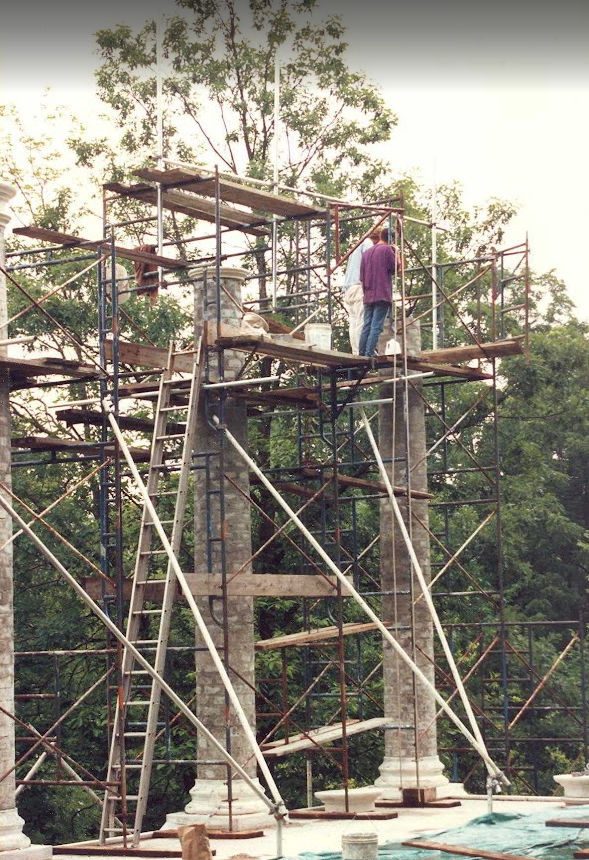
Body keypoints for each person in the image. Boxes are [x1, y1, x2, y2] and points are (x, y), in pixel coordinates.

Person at [358, 227, 398, 357]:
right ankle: (369, 353)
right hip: (382, 293)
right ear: (391, 239)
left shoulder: (366, 253)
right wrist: (397, 253)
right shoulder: (387, 250)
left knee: (367, 325)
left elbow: (361, 277)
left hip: (368, 293)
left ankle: (362, 352)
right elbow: (395, 268)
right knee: (376, 326)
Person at [342, 228, 380, 354]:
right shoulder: (368, 243)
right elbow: (371, 260)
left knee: (354, 322)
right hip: (358, 287)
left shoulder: (357, 246)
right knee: (361, 322)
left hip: (349, 288)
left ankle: (356, 351)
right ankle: (361, 352)